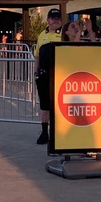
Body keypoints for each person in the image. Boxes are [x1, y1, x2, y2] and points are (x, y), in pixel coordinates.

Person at [33, 8, 64, 145]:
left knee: (58, 104)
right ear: (48, 20)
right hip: (44, 75)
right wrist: (36, 71)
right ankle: (44, 132)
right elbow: (37, 55)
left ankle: (58, 132)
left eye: (58, 18)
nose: (56, 20)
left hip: (59, 75)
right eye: (53, 18)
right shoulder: (42, 35)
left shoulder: (64, 33)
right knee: (44, 105)